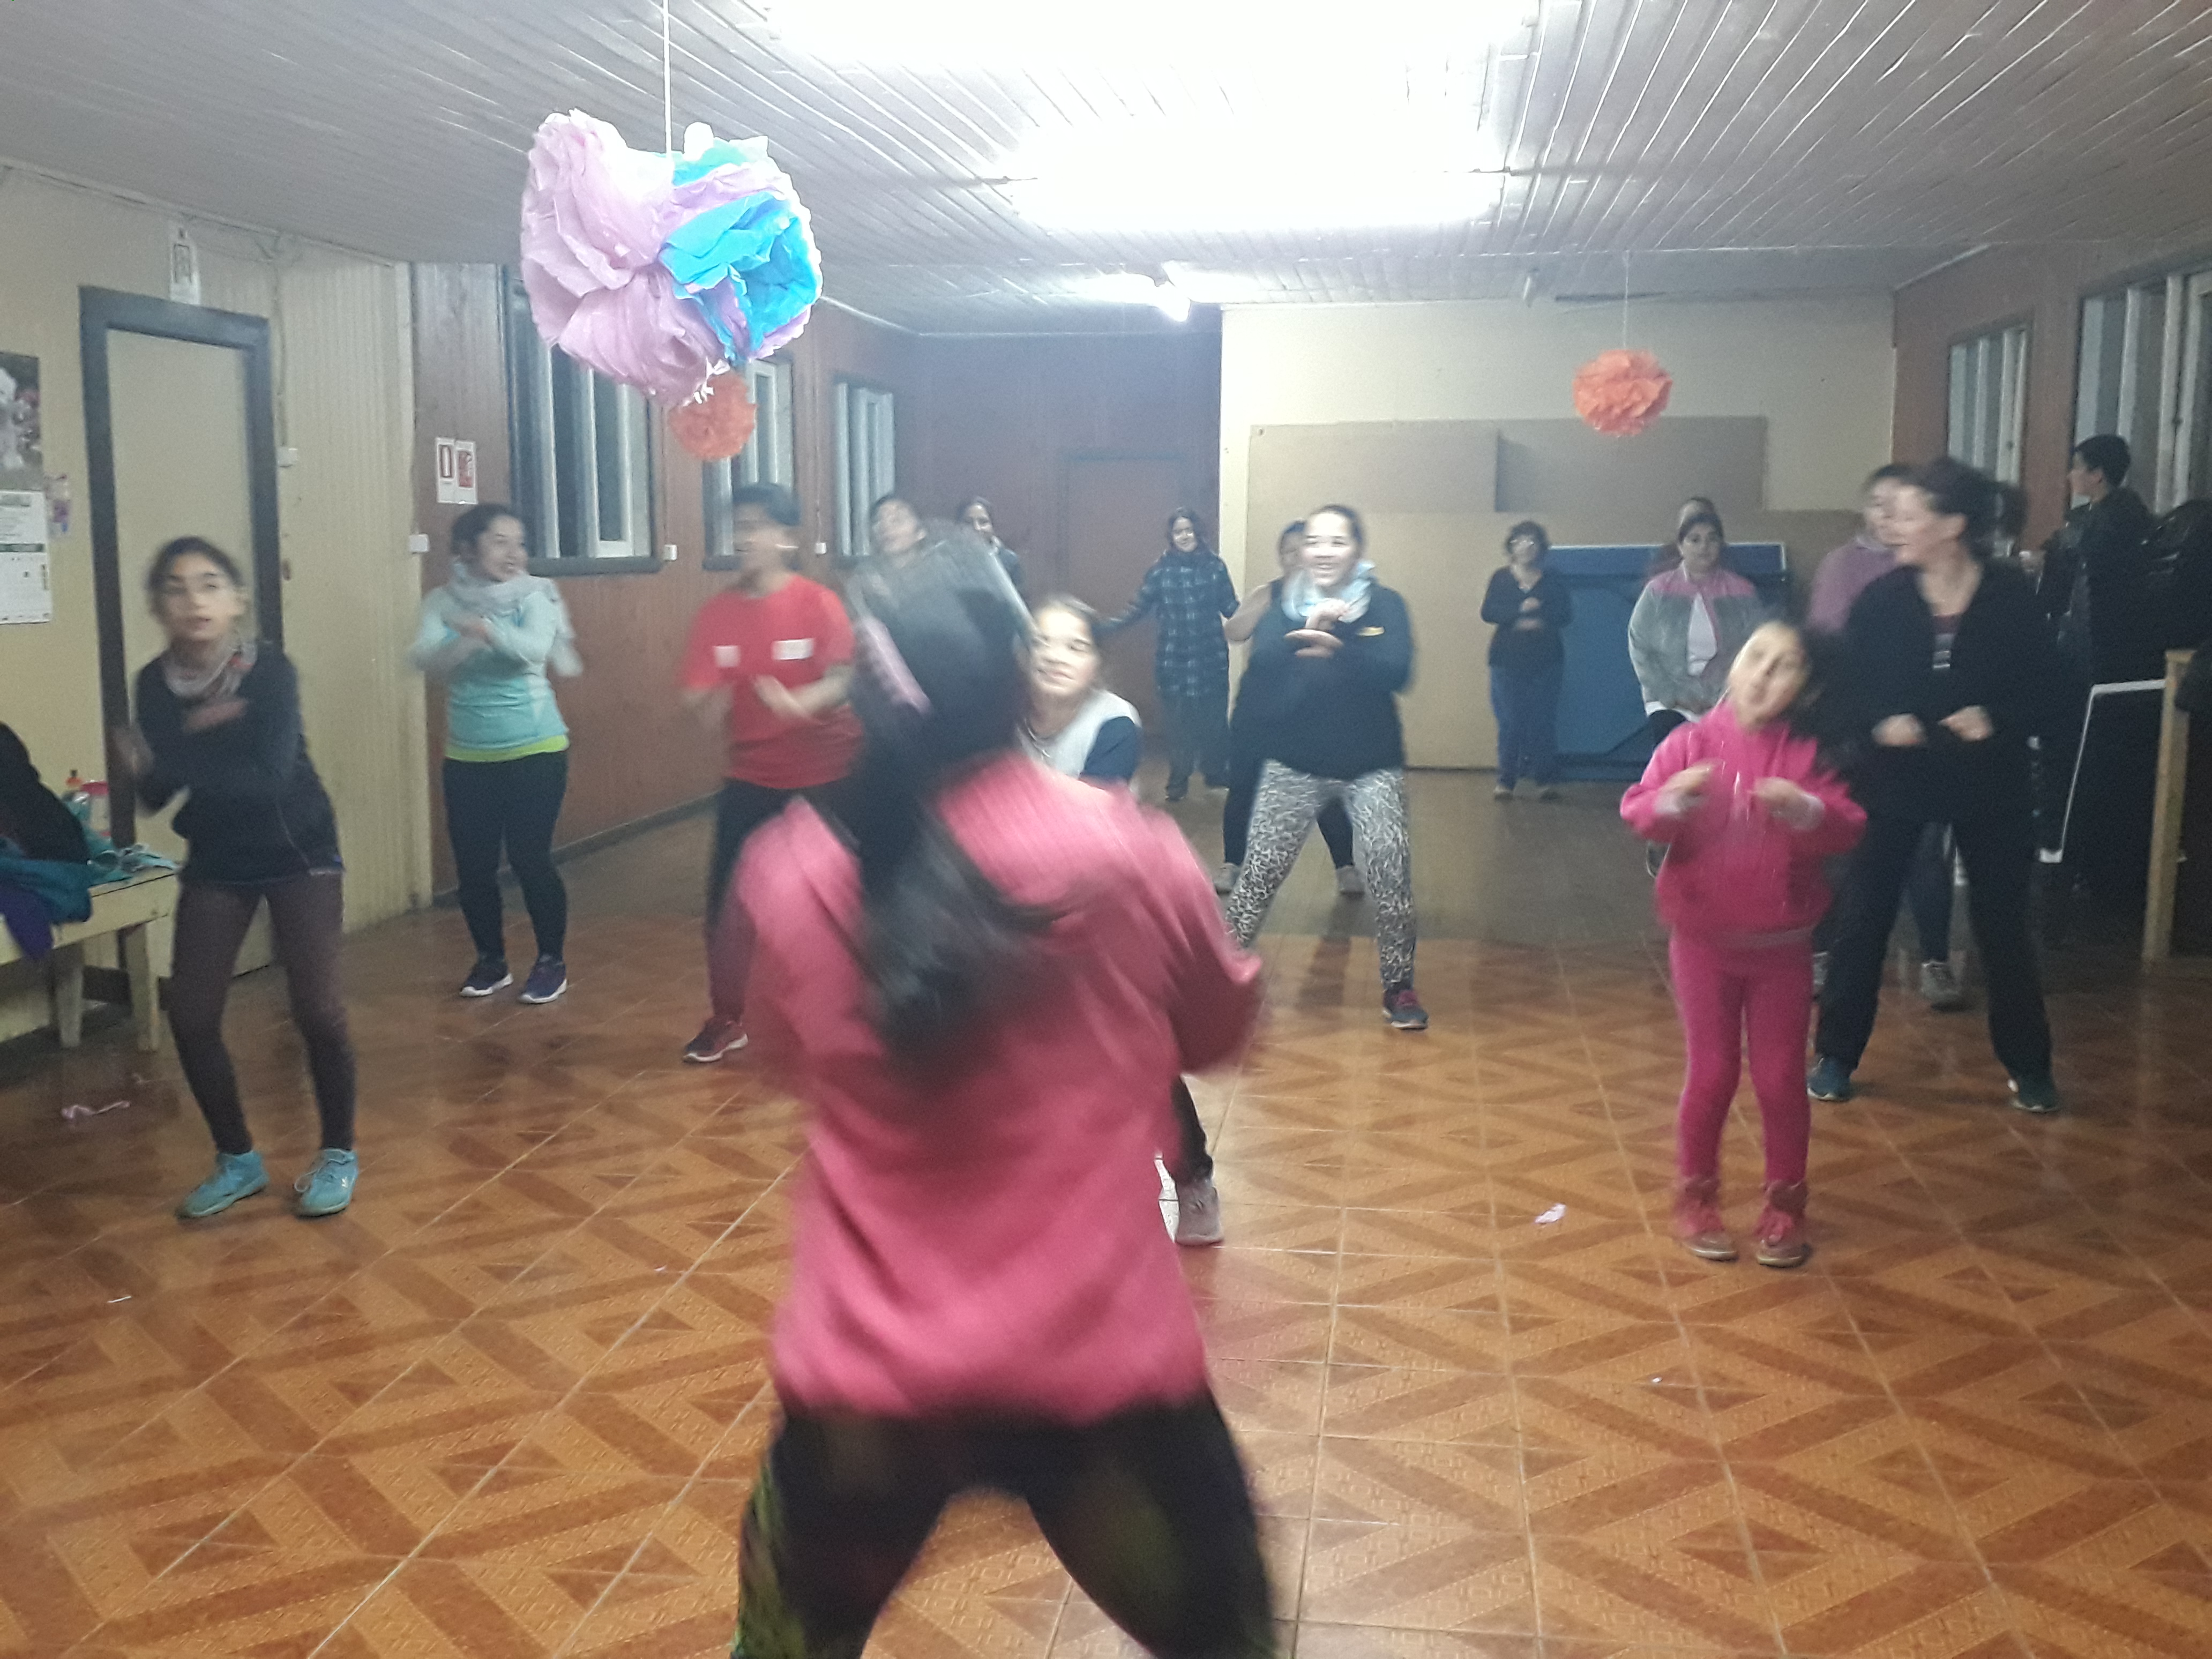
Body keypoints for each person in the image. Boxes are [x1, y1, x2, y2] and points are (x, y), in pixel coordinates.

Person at [726, 540, 1272, 1659]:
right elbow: (1220, 1032)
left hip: (866, 1395)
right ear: (1023, 681)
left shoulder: (792, 873)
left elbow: (786, 1056)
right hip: (1103, 1382)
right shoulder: (1128, 853)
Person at [1811, 458, 2068, 1114]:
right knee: (1864, 917)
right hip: (1894, 780)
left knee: (2003, 926)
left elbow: (2051, 690)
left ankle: (2030, 1067)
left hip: (1992, 784)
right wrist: (1879, 723)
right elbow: (1843, 692)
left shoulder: (2010, 597)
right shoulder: (1881, 601)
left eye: (1909, 514)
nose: (1892, 526)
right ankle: (1836, 1054)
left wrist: (1996, 719)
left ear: (1953, 525)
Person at [114, 538, 358, 1220]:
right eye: (176, 587)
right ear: (157, 605)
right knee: (191, 1015)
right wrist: (147, 764)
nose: (194, 599)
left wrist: (178, 749)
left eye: (210, 584)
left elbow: (269, 777)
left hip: (299, 846)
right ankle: (237, 1160)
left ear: (237, 600)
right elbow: (156, 794)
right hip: (220, 855)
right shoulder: (153, 683)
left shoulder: (268, 671)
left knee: (318, 1010)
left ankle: (339, 1153)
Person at [1623, 622, 1865, 1268]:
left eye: (1785, 667)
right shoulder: (1688, 743)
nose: (1764, 675)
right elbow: (1638, 811)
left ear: (1804, 690)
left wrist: (1806, 812)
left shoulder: (1807, 758)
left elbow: (1846, 826)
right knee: (1712, 1073)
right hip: (1702, 945)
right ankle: (1696, 1197)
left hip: (1782, 948)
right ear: (1734, 663)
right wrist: (1671, 802)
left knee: (1781, 1078)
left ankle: (1786, 1206)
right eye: (1757, 657)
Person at [1025, 596, 1222, 1247]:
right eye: (1043, 642)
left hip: (1108, 915)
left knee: (1138, 1055)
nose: (1056, 656)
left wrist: (1003, 790)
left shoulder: (1115, 721)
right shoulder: (999, 717)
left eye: (1075, 646)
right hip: (1020, 914)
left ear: (1097, 664)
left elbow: (1088, 809)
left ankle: (1192, 1176)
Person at [1224, 505, 1428, 1031]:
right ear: (1302, 549)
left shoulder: (1385, 604)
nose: (1324, 552)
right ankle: (1217, 978)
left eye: (1338, 542)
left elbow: (1397, 670)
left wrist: (1340, 646)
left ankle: (1399, 987)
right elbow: (1266, 664)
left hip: (1372, 766)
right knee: (1258, 876)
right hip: (1294, 763)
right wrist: (1306, 634)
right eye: (1315, 541)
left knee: (1390, 873)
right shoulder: (1282, 604)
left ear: (1357, 550)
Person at [678, 483, 861, 1064]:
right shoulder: (718, 614)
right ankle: (728, 1018)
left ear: (787, 537)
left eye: (755, 526)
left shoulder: (818, 603)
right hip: (751, 776)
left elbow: (843, 679)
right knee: (726, 907)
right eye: (737, 527)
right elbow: (700, 694)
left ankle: (834, 1015)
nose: (743, 538)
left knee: (826, 906)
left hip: (824, 777)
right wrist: (703, 703)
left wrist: (799, 703)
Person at [410, 503, 580, 1005]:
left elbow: (533, 649)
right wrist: (465, 643)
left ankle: (551, 962)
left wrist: (484, 631)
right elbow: (427, 661)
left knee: (530, 858)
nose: (514, 553)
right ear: (467, 549)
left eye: (519, 542)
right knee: (474, 868)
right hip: (468, 757)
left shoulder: (536, 594)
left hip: (537, 749)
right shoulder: (441, 601)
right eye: (499, 542)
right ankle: (491, 961)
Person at [1805, 465, 1962, 1011]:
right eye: (1879, 505)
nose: (1889, 518)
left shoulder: (1935, 569)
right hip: (1854, 734)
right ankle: (1823, 954)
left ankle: (1936, 960)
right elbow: (1830, 648)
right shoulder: (1843, 566)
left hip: (1921, 737)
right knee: (1840, 847)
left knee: (1926, 853)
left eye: (1902, 507)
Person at [1219, 519, 1358, 895]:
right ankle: (1232, 863)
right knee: (1243, 787)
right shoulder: (1268, 593)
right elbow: (1234, 633)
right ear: (1281, 557)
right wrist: (1263, 604)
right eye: (1289, 552)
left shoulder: (1336, 600)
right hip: (1257, 709)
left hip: (1310, 712)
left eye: (1304, 550)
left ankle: (1346, 867)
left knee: (1323, 790)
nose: (1297, 558)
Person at [1102, 509, 1238, 803]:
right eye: (1179, 532)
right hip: (1173, 661)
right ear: (1171, 537)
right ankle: (1178, 780)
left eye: (1189, 530)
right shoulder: (1161, 571)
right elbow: (1138, 608)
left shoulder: (1215, 567)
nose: (1185, 536)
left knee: (1214, 721)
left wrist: (1260, 620)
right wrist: (1108, 627)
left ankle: (1215, 772)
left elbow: (1231, 607)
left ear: (1198, 532)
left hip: (1211, 659)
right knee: (1178, 726)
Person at [1628, 510, 1766, 744]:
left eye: (1712, 539)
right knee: (1673, 754)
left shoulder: (1743, 592)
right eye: (1695, 540)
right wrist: (1672, 695)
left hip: (1727, 697)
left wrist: (1726, 694)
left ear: (1721, 545)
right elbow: (1639, 646)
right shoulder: (1657, 591)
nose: (1704, 547)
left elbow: (1756, 648)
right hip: (1668, 700)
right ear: (1681, 547)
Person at [1481, 519, 1573, 801]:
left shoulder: (1553, 579)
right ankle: (1506, 781)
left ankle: (1545, 780)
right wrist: (1520, 610)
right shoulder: (1500, 578)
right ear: (1512, 546)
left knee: (1543, 720)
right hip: (1506, 661)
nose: (1527, 547)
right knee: (1510, 722)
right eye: (1521, 541)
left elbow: (1565, 614)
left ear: (1541, 548)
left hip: (1547, 661)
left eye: (1533, 541)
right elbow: (1489, 612)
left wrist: (1541, 616)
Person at [2056, 435, 2158, 686]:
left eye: (2077, 467)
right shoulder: (2120, 513)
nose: (2070, 475)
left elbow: (2079, 563)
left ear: (2097, 475)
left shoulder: (2109, 521)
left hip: (2100, 630)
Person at [955, 495, 1025, 598]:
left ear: (992, 526)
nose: (976, 528)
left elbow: (1019, 602)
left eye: (983, 522)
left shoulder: (1009, 561)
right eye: (968, 522)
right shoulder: (947, 560)